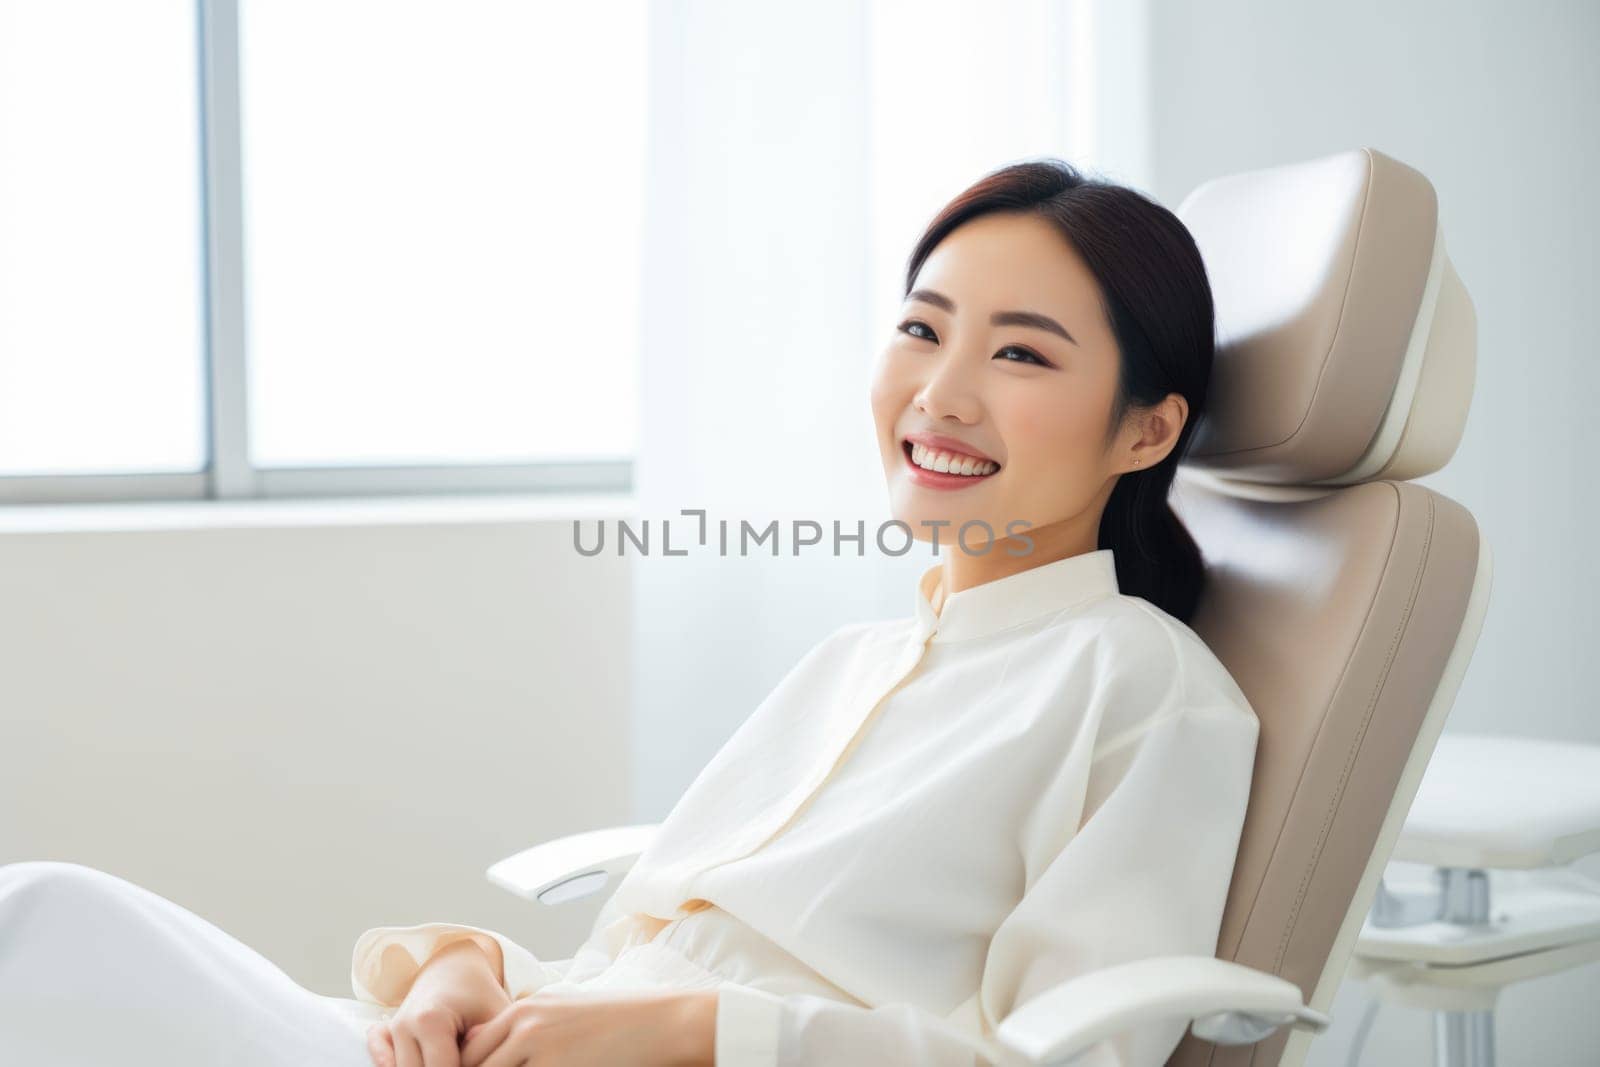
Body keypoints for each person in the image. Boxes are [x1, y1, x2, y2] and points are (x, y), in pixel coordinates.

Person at [0, 158, 1258, 1067]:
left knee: (44, 927)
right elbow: (628, 973)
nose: (939, 392)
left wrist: (703, 1032)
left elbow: (1061, 1056)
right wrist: (469, 971)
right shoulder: (857, 662)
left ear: (1148, 426)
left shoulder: (1139, 684)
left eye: (1021, 353)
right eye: (919, 329)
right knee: (46, 933)